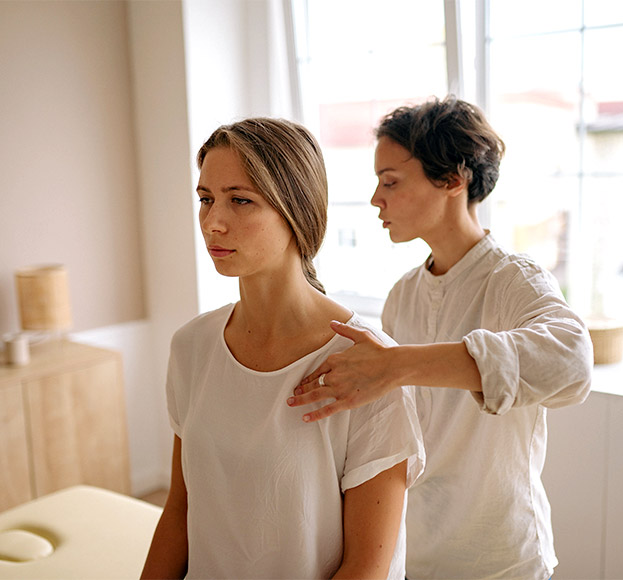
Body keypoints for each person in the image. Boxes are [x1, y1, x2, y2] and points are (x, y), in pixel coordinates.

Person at [287, 96, 594, 579]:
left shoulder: (515, 281)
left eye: (390, 181)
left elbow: (572, 363)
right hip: (417, 549)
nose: (375, 199)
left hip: (500, 558)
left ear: (453, 179)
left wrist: (398, 363)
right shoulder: (402, 295)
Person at [140, 118, 424, 580]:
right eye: (206, 199)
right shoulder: (191, 347)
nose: (212, 222)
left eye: (240, 200)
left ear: (296, 210)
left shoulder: (368, 366)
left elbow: (366, 568)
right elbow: (179, 511)